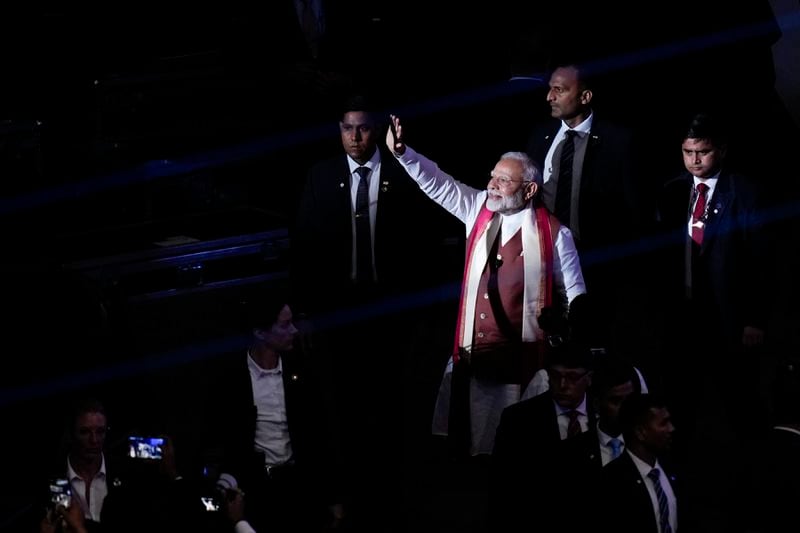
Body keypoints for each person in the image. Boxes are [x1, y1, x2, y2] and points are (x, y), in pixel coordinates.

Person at [292, 95, 457, 531]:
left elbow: (425, 248)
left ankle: (394, 501)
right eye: (347, 128)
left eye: (363, 128)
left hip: (393, 319)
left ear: (377, 128)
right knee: (344, 410)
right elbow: (306, 250)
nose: (355, 137)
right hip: (340, 317)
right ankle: (352, 498)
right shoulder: (320, 177)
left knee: (394, 410)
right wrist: (307, 312)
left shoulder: (403, 177)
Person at [386, 113, 585, 458]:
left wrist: (560, 334)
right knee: (475, 446)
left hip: (520, 362)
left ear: (529, 189)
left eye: (503, 181)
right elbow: (439, 183)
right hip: (476, 356)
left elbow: (576, 296)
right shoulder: (479, 209)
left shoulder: (555, 234)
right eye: (492, 176)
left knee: (515, 447)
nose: (491, 184)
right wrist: (404, 153)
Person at [656, 112, 771, 446]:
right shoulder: (672, 191)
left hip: (730, 321)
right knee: (680, 405)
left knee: (741, 403)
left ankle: (760, 468)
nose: (694, 160)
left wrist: (755, 319)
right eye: (687, 152)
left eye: (702, 152)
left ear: (720, 150)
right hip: (684, 318)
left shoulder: (747, 193)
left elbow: (762, 262)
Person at [526, 61, 646, 354]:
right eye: (549, 89)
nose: (549, 97)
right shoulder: (540, 137)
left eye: (559, 90)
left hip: (595, 267)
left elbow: (634, 209)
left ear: (585, 96)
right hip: (542, 263)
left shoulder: (619, 141)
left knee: (591, 345)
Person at [203, 287, 344, 533]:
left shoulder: (301, 372)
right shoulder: (233, 380)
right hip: (260, 491)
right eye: (285, 324)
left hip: (300, 486)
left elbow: (320, 435)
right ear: (260, 332)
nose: (294, 330)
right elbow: (224, 440)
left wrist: (332, 497)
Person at [489, 342, 594, 530]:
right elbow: (503, 487)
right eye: (555, 376)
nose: (562, 385)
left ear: (589, 378)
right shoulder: (518, 420)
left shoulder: (605, 415)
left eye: (572, 377)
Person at [598, 393, 679, 533]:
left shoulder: (674, 467)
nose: (672, 429)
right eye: (663, 423)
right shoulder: (611, 481)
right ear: (640, 432)